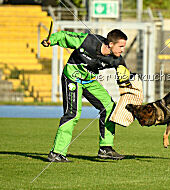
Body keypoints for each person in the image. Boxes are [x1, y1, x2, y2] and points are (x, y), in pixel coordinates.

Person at [41, 29, 130, 162]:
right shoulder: (89, 41)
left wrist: (128, 83)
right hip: (72, 78)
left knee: (109, 107)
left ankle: (105, 148)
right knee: (73, 113)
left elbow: (125, 76)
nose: (123, 50)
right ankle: (57, 153)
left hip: (89, 81)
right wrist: (51, 40)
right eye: (121, 46)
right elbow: (65, 36)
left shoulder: (117, 60)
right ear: (111, 44)